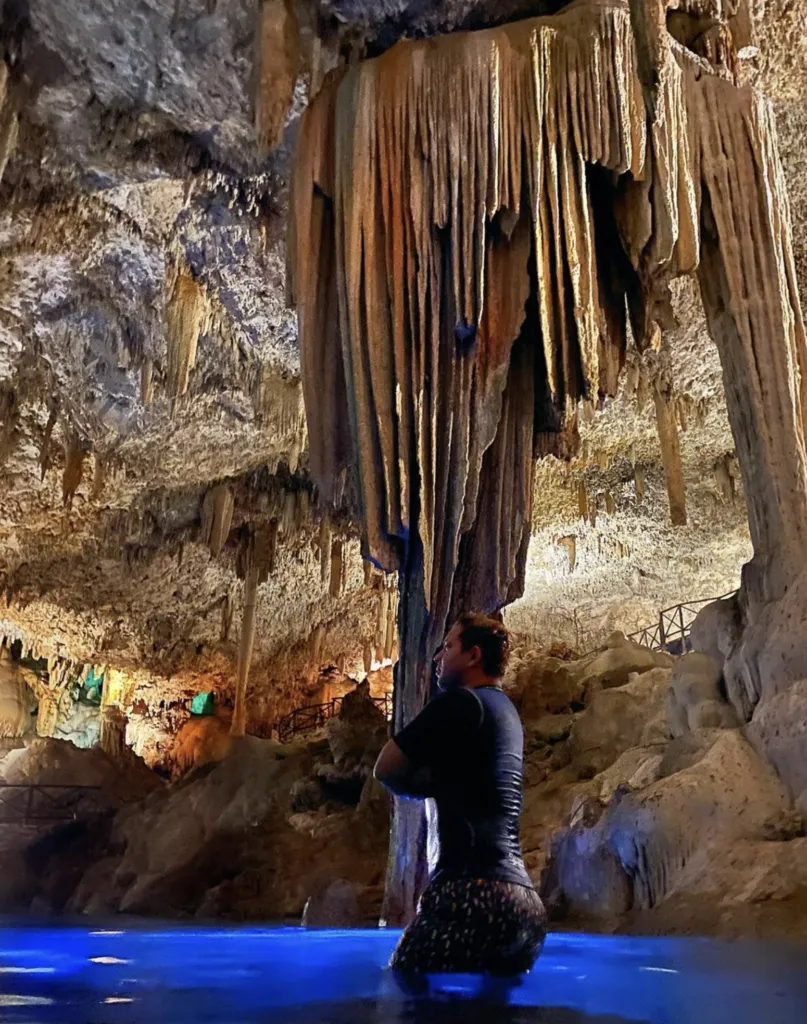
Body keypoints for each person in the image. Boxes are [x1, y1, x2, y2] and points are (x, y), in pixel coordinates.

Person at [374, 612, 547, 976]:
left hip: (471, 893)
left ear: (473, 656)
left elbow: (386, 768)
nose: (438, 657)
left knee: (404, 984)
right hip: (524, 907)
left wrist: (430, 785)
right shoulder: (507, 713)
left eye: (448, 646)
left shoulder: (461, 702)